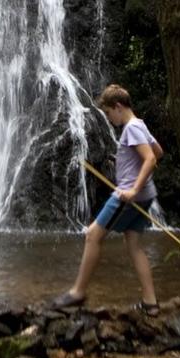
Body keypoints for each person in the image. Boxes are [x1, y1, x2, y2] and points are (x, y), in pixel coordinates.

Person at [53, 83, 162, 310]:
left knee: (93, 235)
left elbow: (150, 158)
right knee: (134, 245)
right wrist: (126, 162)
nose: (109, 119)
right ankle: (150, 302)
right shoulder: (140, 125)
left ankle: (78, 292)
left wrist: (132, 188)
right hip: (147, 194)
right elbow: (158, 152)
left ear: (119, 106)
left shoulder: (131, 128)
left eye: (109, 113)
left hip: (129, 196)